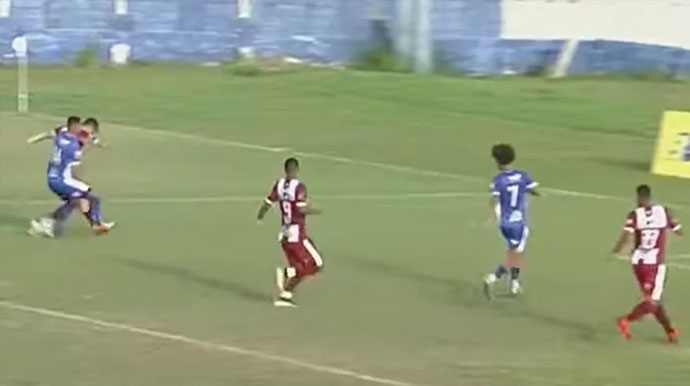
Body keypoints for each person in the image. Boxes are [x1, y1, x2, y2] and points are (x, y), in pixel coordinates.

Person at [612, 184, 681, 343]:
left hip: (638, 264)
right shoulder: (663, 212)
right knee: (652, 302)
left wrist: (616, 251)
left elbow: (625, 237)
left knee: (654, 300)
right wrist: (668, 228)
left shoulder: (634, 215)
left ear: (639, 197)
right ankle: (625, 320)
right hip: (655, 264)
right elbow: (678, 230)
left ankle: (670, 330)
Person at [28, 119, 114, 237]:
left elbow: (51, 134)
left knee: (79, 200)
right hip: (61, 180)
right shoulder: (73, 145)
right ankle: (49, 222)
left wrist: (35, 139)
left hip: (54, 177)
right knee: (85, 199)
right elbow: (76, 164)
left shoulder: (64, 132)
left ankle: (95, 224)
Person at [257, 158, 323, 307]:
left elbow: (267, 202)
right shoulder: (299, 187)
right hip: (296, 234)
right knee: (317, 264)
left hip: (284, 234)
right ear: (296, 169)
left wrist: (260, 216)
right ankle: (287, 272)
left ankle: (285, 296)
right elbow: (301, 209)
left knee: (301, 268)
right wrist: (315, 210)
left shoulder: (279, 185)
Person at [483, 144, 539, 299]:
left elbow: (494, 200)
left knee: (514, 251)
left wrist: (490, 218)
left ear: (497, 161)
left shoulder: (498, 180)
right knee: (516, 255)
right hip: (518, 223)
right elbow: (534, 190)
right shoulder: (523, 176)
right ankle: (493, 277)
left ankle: (514, 283)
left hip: (505, 224)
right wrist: (533, 194)